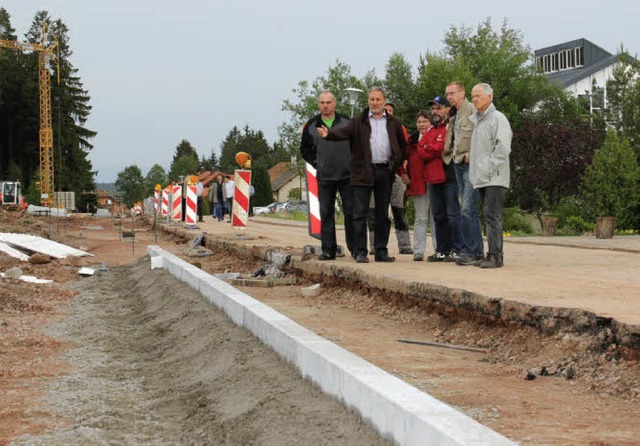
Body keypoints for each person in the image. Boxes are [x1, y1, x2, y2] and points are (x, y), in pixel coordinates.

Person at [318, 86, 407, 263]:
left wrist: (394, 164)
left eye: (378, 99)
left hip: (384, 171)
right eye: (372, 99)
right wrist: (329, 134)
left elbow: (402, 145)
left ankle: (381, 250)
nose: (375, 103)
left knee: (382, 214)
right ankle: (360, 251)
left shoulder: (393, 122)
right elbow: (343, 133)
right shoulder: (358, 121)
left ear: (384, 101)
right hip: (362, 172)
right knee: (359, 213)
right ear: (368, 101)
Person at [300, 91, 355, 260]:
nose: (325, 105)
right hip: (324, 176)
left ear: (335, 103)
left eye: (328, 102)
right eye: (322, 102)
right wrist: (317, 163)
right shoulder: (311, 125)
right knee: (326, 213)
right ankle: (328, 250)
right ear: (318, 104)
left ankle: (355, 249)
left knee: (351, 213)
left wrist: (352, 163)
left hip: (347, 176)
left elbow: (357, 145)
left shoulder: (347, 122)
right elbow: (305, 150)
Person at [468, 83, 512, 268]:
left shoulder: (497, 118)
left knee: (492, 215)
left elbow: (502, 148)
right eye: (473, 96)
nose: (474, 99)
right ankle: (491, 254)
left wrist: (487, 167)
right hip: (483, 178)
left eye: (478, 95)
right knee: (487, 215)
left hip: (495, 176)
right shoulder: (478, 121)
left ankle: (496, 256)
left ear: (489, 97)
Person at [444, 82, 485, 266]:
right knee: (466, 209)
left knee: (467, 209)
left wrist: (473, 155)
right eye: (447, 94)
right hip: (457, 164)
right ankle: (474, 251)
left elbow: (484, 135)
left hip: (471, 166)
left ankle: (472, 251)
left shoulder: (473, 110)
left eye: (453, 93)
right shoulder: (454, 114)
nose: (449, 97)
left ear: (462, 93)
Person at [418, 96, 463, 262]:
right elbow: (420, 150)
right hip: (433, 179)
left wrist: (429, 148)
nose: (434, 112)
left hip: (449, 177)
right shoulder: (431, 130)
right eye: (433, 109)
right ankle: (442, 250)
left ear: (446, 109)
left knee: (452, 215)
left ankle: (457, 249)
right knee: (438, 216)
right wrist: (431, 148)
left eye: (438, 108)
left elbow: (443, 148)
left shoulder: (450, 127)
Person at [401, 110, 437, 261]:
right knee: (421, 217)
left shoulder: (436, 136)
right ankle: (418, 251)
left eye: (425, 121)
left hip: (435, 181)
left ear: (431, 122)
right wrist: (403, 173)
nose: (422, 124)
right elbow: (401, 158)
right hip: (418, 182)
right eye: (419, 122)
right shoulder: (411, 141)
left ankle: (439, 249)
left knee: (435, 217)